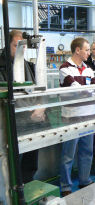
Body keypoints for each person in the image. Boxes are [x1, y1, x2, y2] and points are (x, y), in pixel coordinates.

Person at [0, 30, 46, 183]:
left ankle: (28, 186)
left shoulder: (28, 66)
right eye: (16, 46)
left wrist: (41, 107)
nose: (21, 50)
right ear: (7, 44)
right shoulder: (1, 66)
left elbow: (37, 89)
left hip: (32, 122)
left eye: (23, 47)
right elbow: (5, 96)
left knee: (30, 161)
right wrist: (28, 114)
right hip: (11, 124)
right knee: (12, 166)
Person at [59, 37, 95, 197]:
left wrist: (86, 90)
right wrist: (87, 90)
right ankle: (65, 186)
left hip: (89, 116)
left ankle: (84, 180)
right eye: (87, 50)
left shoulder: (88, 69)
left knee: (87, 151)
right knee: (68, 154)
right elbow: (76, 89)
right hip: (72, 117)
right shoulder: (64, 69)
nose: (89, 53)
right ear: (77, 50)